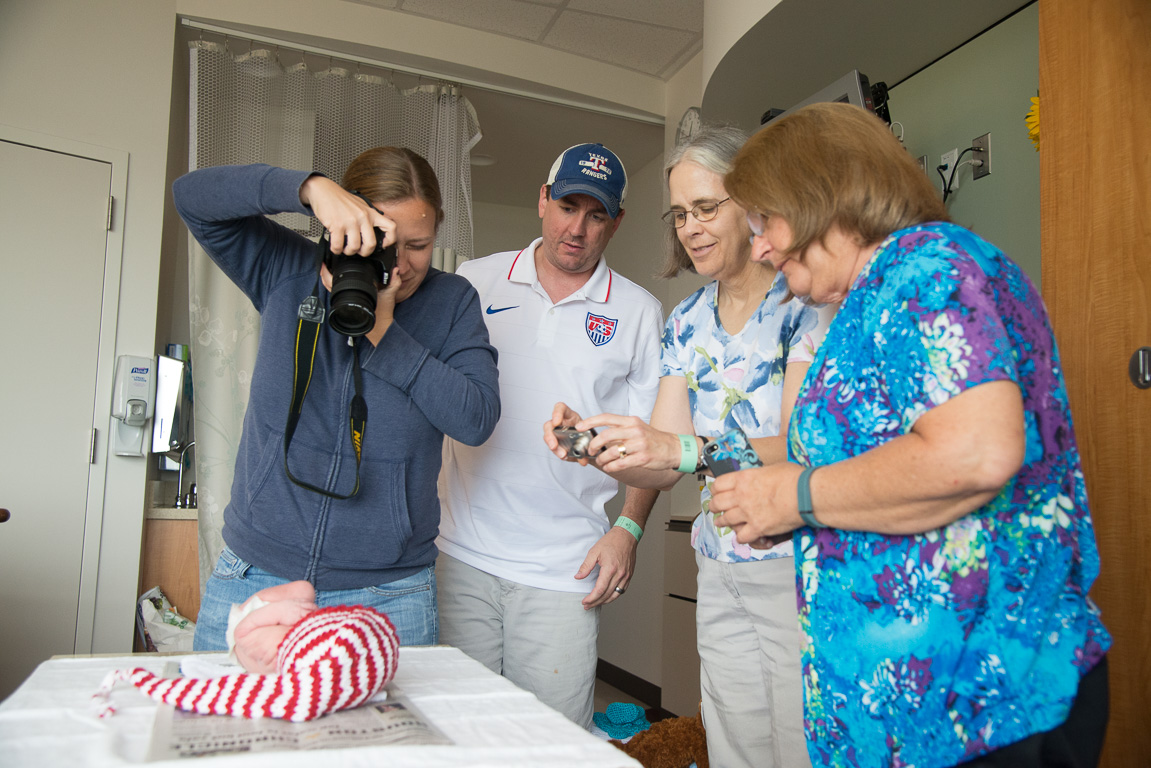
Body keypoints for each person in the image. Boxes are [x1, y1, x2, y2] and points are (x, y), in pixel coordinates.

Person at [709, 102, 1111, 768]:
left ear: (818, 195)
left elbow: (972, 454)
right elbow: (888, 472)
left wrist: (795, 497)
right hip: (916, 716)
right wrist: (789, 505)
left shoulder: (924, 266)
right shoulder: (875, 295)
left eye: (764, 220)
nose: (758, 246)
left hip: (981, 707)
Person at [545, 125, 832, 767]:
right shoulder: (687, 320)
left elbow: (803, 446)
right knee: (731, 744)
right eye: (680, 214)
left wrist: (682, 448)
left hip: (795, 567)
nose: (691, 228)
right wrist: (597, 441)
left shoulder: (804, 303)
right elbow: (666, 456)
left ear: (754, 202)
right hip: (720, 563)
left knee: (802, 746)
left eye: (707, 208)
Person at [173, 148, 500, 650]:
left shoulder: (452, 301)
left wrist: (385, 333)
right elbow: (191, 197)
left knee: (390, 733)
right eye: (388, 242)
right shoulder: (287, 268)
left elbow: (476, 418)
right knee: (220, 726)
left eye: (421, 245)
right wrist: (309, 189)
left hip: (389, 593)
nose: (405, 265)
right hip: (257, 573)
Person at [436, 143, 663, 730]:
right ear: (542, 200)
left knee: (552, 744)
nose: (577, 229)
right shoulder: (474, 281)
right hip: (461, 552)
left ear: (616, 222)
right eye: (567, 206)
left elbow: (653, 445)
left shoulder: (638, 312)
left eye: (596, 215)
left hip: (565, 569)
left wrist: (628, 530)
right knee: (458, 738)